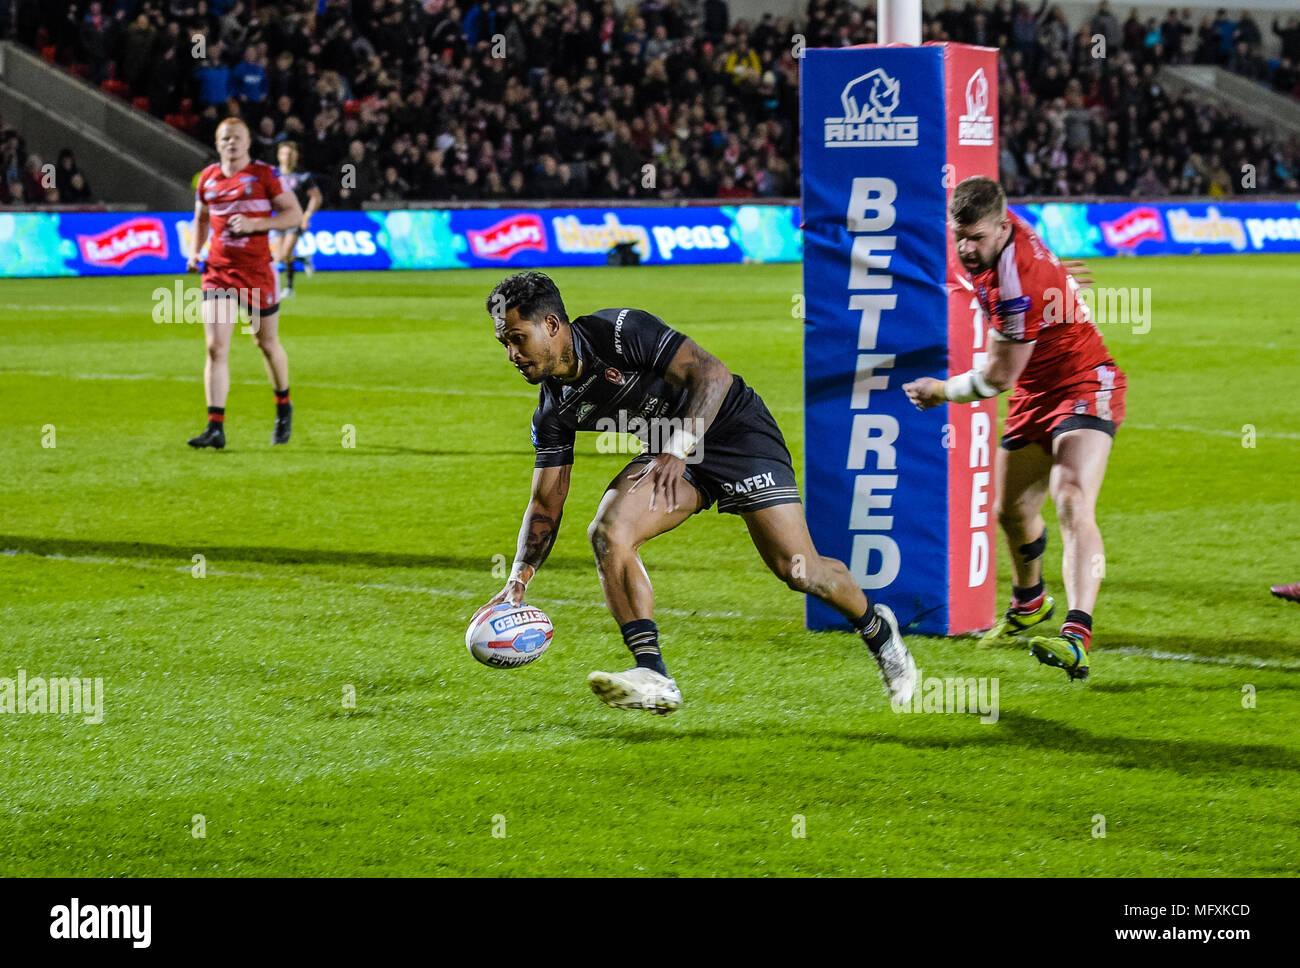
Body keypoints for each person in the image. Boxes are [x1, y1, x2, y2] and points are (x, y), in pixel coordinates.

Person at [474, 271, 916, 715]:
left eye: (517, 338)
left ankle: (878, 630)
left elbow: (714, 375)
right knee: (609, 531)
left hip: (735, 434)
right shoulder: (553, 409)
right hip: (673, 458)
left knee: (798, 570)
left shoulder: (619, 331)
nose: (512, 354)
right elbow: (546, 501)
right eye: (504, 344)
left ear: (551, 325)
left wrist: (677, 448)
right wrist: (518, 579)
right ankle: (653, 673)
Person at [904, 176, 1126, 682]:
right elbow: (1030, 268)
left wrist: (938, 391)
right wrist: (1056, 281)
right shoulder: (1004, 240)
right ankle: (1030, 602)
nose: (966, 249)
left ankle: (1077, 635)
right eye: (960, 237)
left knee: (1070, 496)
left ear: (1002, 227)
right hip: (1036, 390)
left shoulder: (1014, 282)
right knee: (1011, 510)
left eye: (976, 239)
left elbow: (996, 378)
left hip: (1085, 380)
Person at [186, 118, 302, 449]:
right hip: (219, 271)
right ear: (217, 142)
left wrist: (255, 224)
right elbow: (202, 218)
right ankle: (215, 426)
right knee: (215, 347)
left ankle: (283, 406)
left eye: (237, 138)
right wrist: (195, 253)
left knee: (265, 343)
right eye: (225, 138)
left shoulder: (265, 176)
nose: (231, 143)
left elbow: (294, 216)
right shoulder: (207, 178)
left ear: (248, 142)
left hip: (256, 272)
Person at [271, 141, 323, 297]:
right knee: (279, 257)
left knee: (286, 252)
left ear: (296, 156)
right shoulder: (273, 174)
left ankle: (289, 288)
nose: (287, 157)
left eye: (290, 154)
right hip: (279, 219)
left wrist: (306, 216)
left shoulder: (303, 176)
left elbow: (316, 197)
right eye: (285, 154)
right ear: (279, 156)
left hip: (295, 219)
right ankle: (303, 259)